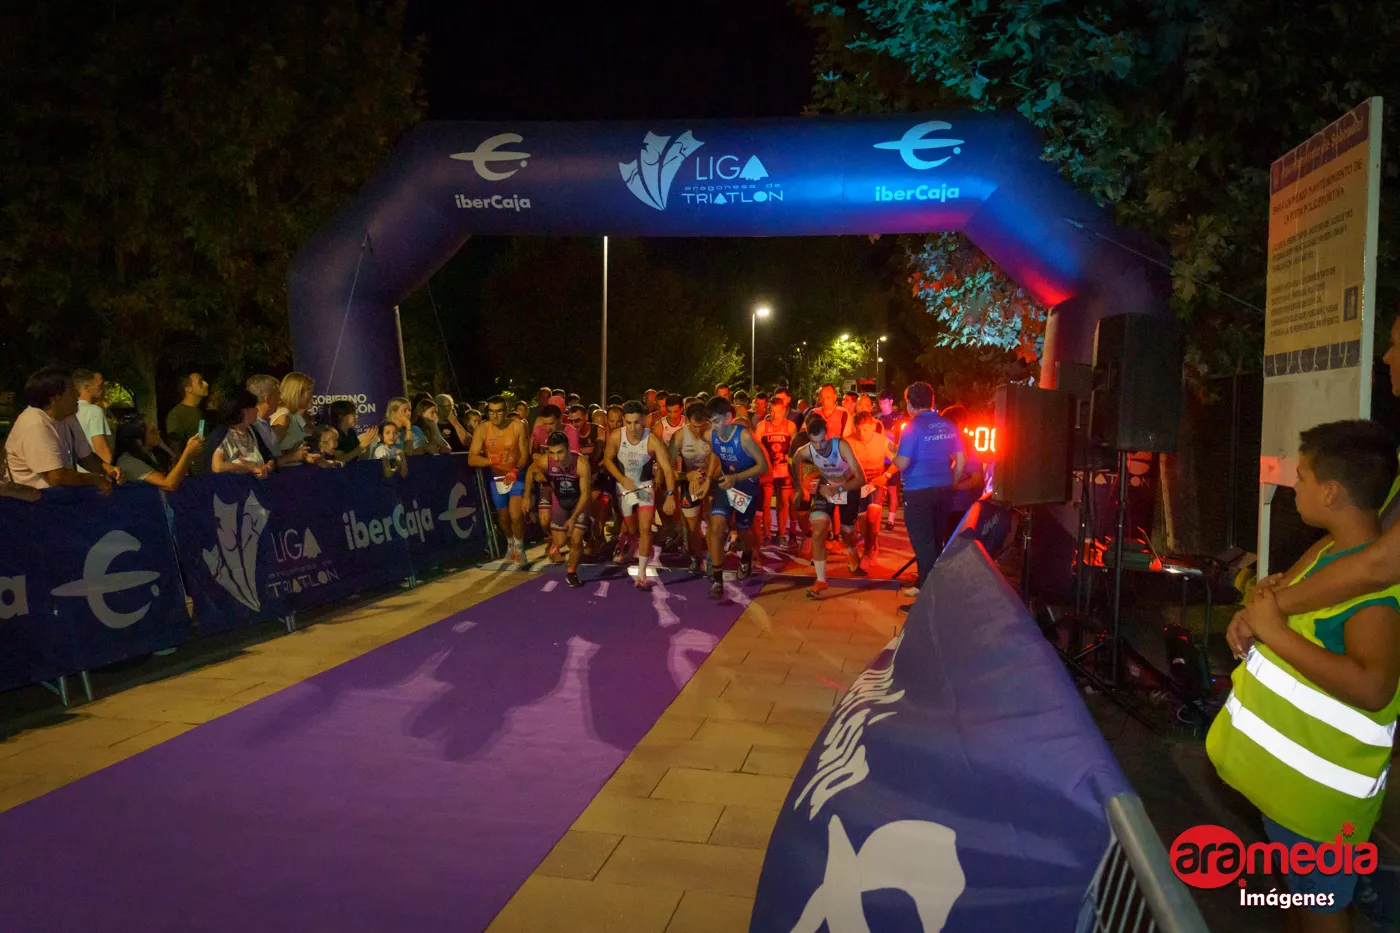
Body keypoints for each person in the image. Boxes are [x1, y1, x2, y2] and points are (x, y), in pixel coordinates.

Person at [1212, 420, 1400, 931]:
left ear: (1332, 492)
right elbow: (1285, 593)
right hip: (1293, 795)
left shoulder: (1373, 598)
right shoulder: (1329, 553)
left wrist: (1275, 630)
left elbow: (1373, 686)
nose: (1295, 484)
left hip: (1318, 807)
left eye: (1303, 476)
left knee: (1323, 911)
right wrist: (1262, 605)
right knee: (1307, 899)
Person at [894, 382, 966, 612]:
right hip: (943, 488)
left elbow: (902, 462)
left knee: (924, 545)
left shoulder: (912, 427)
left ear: (909, 403)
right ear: (932, 401)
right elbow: (961, 461)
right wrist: (950, 482)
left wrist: (889, 451)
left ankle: (927, 603)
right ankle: (926, 586)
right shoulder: (947, 424)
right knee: (935, 540)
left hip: (918, 491)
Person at [7, 367, 122, 493]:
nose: (78, 395)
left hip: (59, 498)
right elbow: (56, 477)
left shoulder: (68, 416)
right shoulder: (35, 424)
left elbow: (86, 457)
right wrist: (93, 479)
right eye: (72, 390)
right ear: (55, 398)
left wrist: (108, 469)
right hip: (31, 504)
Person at [791, 412, 867, 597]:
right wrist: (799, 488)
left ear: (828, 434)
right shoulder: (805, 450)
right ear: (809, 439)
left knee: (847, 534)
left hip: (847, 487)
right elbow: (795, 460)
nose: (819, 447)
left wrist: (838, 490)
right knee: (817, 530)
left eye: (822, 442)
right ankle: (821, 580)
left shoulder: (841, 445)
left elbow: (861, 479)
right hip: (825, 486)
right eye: (814, 443)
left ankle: (852, 550)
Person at [602, 400, 676, 590]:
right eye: (628, 423)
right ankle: (640, 545)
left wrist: (670, 495)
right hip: (624, 489)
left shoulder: (651, 439)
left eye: (636, 422)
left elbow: (667, 469)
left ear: (643, 420)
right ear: (624, 422)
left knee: (645, 528)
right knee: (632, 529)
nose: (633, 427)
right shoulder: (617, 436)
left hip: (644, 487)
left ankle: (641, 574)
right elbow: (607, 460)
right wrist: (621, 478)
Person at [705, 396, 769, 597]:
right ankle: (717, 580)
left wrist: (737, 477)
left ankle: (749, 552)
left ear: (728, 418)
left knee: (743, 530)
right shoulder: (711, 434)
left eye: (716, 421)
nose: (713, 426)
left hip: (746, 484)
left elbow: (764, 466)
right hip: (726, 483)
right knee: (715, 525)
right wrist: (708, 478)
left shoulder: (744, 436)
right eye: (711, 421)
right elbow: (716, 452)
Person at [523, 431, 593, 587]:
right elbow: (530, 471)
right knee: (560, 542)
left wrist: (573, 518)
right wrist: (526, 496)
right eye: (552, 453)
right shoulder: (546, 461)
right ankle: (587, 527)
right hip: (560, 501)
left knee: (576, 540)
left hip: (579, 502)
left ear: (568, 449)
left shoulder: (581, 464)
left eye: (560, 452)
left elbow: (586, 495)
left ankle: (571, 572)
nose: (556, 458)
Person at [468, 395, 530, 565]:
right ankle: (510, 543)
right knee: (503, 517)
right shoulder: (482, 428)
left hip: (516, 475)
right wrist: (492, 460)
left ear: (506, 411)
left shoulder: (518, 426)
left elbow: (524, 454)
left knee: (515, 514)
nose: (495, 416)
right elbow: (472, 459)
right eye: (491, 412)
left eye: (499, 412)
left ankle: (520, 546)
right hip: (496, 477)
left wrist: (516, 469)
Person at [111, 409, 204, 492]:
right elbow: (168, 485)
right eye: (152, 431)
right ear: (138, 440)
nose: (158, 432)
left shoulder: (147, 453)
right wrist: (188, 452)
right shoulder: (128, 461)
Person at [849, 411, 899, 563]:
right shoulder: (848, 442)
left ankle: (867, 553)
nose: (862, 434)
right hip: (858, 485)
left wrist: (886, 476)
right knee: (862, 520)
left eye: (865, 429)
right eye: (858, 430)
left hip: (877, 483)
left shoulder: (882, 441)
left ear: (872, 426)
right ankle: (872, 543)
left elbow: (898, 461)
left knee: (873, 513)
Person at [673, 401, 715, 575]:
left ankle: (714, 560)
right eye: (695, 426)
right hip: (689, 483)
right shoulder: (680, 436)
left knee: (714, 521)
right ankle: (697, 557)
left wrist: (706, 476)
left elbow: (722, 462)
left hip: (711, 480)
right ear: (688, 421)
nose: (699, 431)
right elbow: (668, 469)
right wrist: (687, 476)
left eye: (702, 425)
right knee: (692, 526)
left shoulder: (714, 434)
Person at [756, 394, 797, 548]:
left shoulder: (790, 426)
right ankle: (767, 535)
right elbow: (757, 447)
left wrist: (784, 457)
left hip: (784, 471)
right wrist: (767, 460)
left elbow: (795, 448)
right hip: (768, 470)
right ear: (768, 410)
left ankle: (781, 534)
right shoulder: (762, 426)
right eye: (772, 412)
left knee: (783, 503)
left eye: (778, 412)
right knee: (766, 504)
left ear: (784, 410)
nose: (775, 415)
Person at [209, 389, 274, 478]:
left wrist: (268, 466)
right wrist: (250, 468)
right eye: (254, 407)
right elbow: (217, 466)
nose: (257, 410)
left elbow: (268, 457)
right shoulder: (222, 433)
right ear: (244, 412)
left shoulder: (252, 431)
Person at [73, 369, 114, 467]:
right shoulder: (94, 411)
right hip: (95, 473)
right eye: (99, 385)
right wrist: (109, 471)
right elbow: (100, 448)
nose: (103, 389)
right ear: (86, 387)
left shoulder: (69, 411)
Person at [270, 372, 315, 456]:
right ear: (297, 392)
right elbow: (269, 451)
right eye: (310, 392)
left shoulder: (294, 414)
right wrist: (292, 455)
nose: (312, 396)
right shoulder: (284, 417)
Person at [326, 400, 379, 464]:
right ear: (342, 416)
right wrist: (361, 446)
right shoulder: (333, 434)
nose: (356, 416)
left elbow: (362, 458)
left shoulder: (351, 432)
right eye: (353, 414)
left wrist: (367, 444)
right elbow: (340, 460)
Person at [166, 372, 209, 450]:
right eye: (200, 382)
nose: (206, 384)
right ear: (188, 389)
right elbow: (175, 447)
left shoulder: (198, 411)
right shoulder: (176, 414)